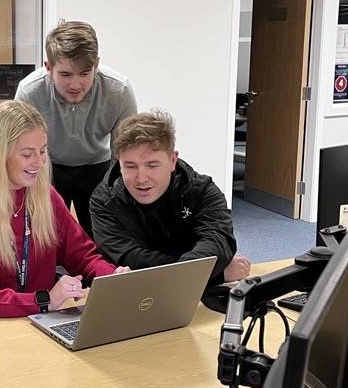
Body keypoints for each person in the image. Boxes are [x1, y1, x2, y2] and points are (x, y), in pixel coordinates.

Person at [0, 100, 129, 318]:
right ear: (0, 154)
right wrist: (43, 301)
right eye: (27, 154)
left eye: (43, 151)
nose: (39, 162)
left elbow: (83, 255)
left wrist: (112, 276)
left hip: (40, 322)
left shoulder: (44, 196)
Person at [90, 109, 251, 284]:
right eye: (130, 166)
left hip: (198, 295)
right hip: (137, 293)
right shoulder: (104, 202)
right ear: (118, 162)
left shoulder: (202, 191)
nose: (141, 178)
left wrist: (197, 271)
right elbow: (130, 259)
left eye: (152, 165)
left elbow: (218, 242)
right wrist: (215, 275)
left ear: (173, 160)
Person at [15, 20, 137, 237]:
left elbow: (126, 154)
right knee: (44, 238)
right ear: (48, 67)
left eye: (84, 73)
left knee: (103, 239)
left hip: (98, 167)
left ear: (96, 64)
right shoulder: (29, 92)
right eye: (65, 75)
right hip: (47, 167)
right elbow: (17, 151)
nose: (75, 84)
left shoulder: (119, 90)